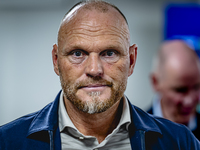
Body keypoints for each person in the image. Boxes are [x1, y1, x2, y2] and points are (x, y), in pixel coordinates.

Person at [0, 1, 199, 149]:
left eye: (109, 53)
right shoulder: (7, 142)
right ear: (56, 61)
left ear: (131, 60)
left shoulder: (181, 142)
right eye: (77, 54)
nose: (94, 70)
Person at [147, 39, 200, 140]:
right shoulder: (132, 134)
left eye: (196, 87)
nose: (189, 101)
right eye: (180, 90)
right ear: (155, 82)